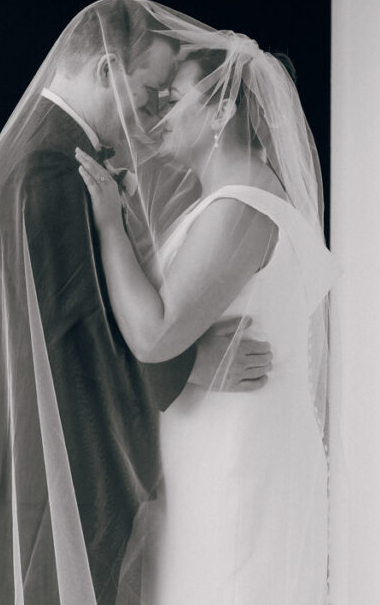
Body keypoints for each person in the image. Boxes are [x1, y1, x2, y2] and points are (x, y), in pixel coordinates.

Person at [0, 0, 273, 605]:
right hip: (54, 460)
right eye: (149, 88)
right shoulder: (46, 169)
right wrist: (186, 361)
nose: (153, 110)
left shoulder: (45, 154)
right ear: (105, 71)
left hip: (42, 458)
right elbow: (51, 336)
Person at [77, 31, 340, 605]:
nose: (160, 111)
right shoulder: (220, 202)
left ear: (222, 110)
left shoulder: (243, 205)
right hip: (207, 452)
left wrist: (109, 226)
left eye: (176, 96)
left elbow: (153, 334)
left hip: (237, 461)